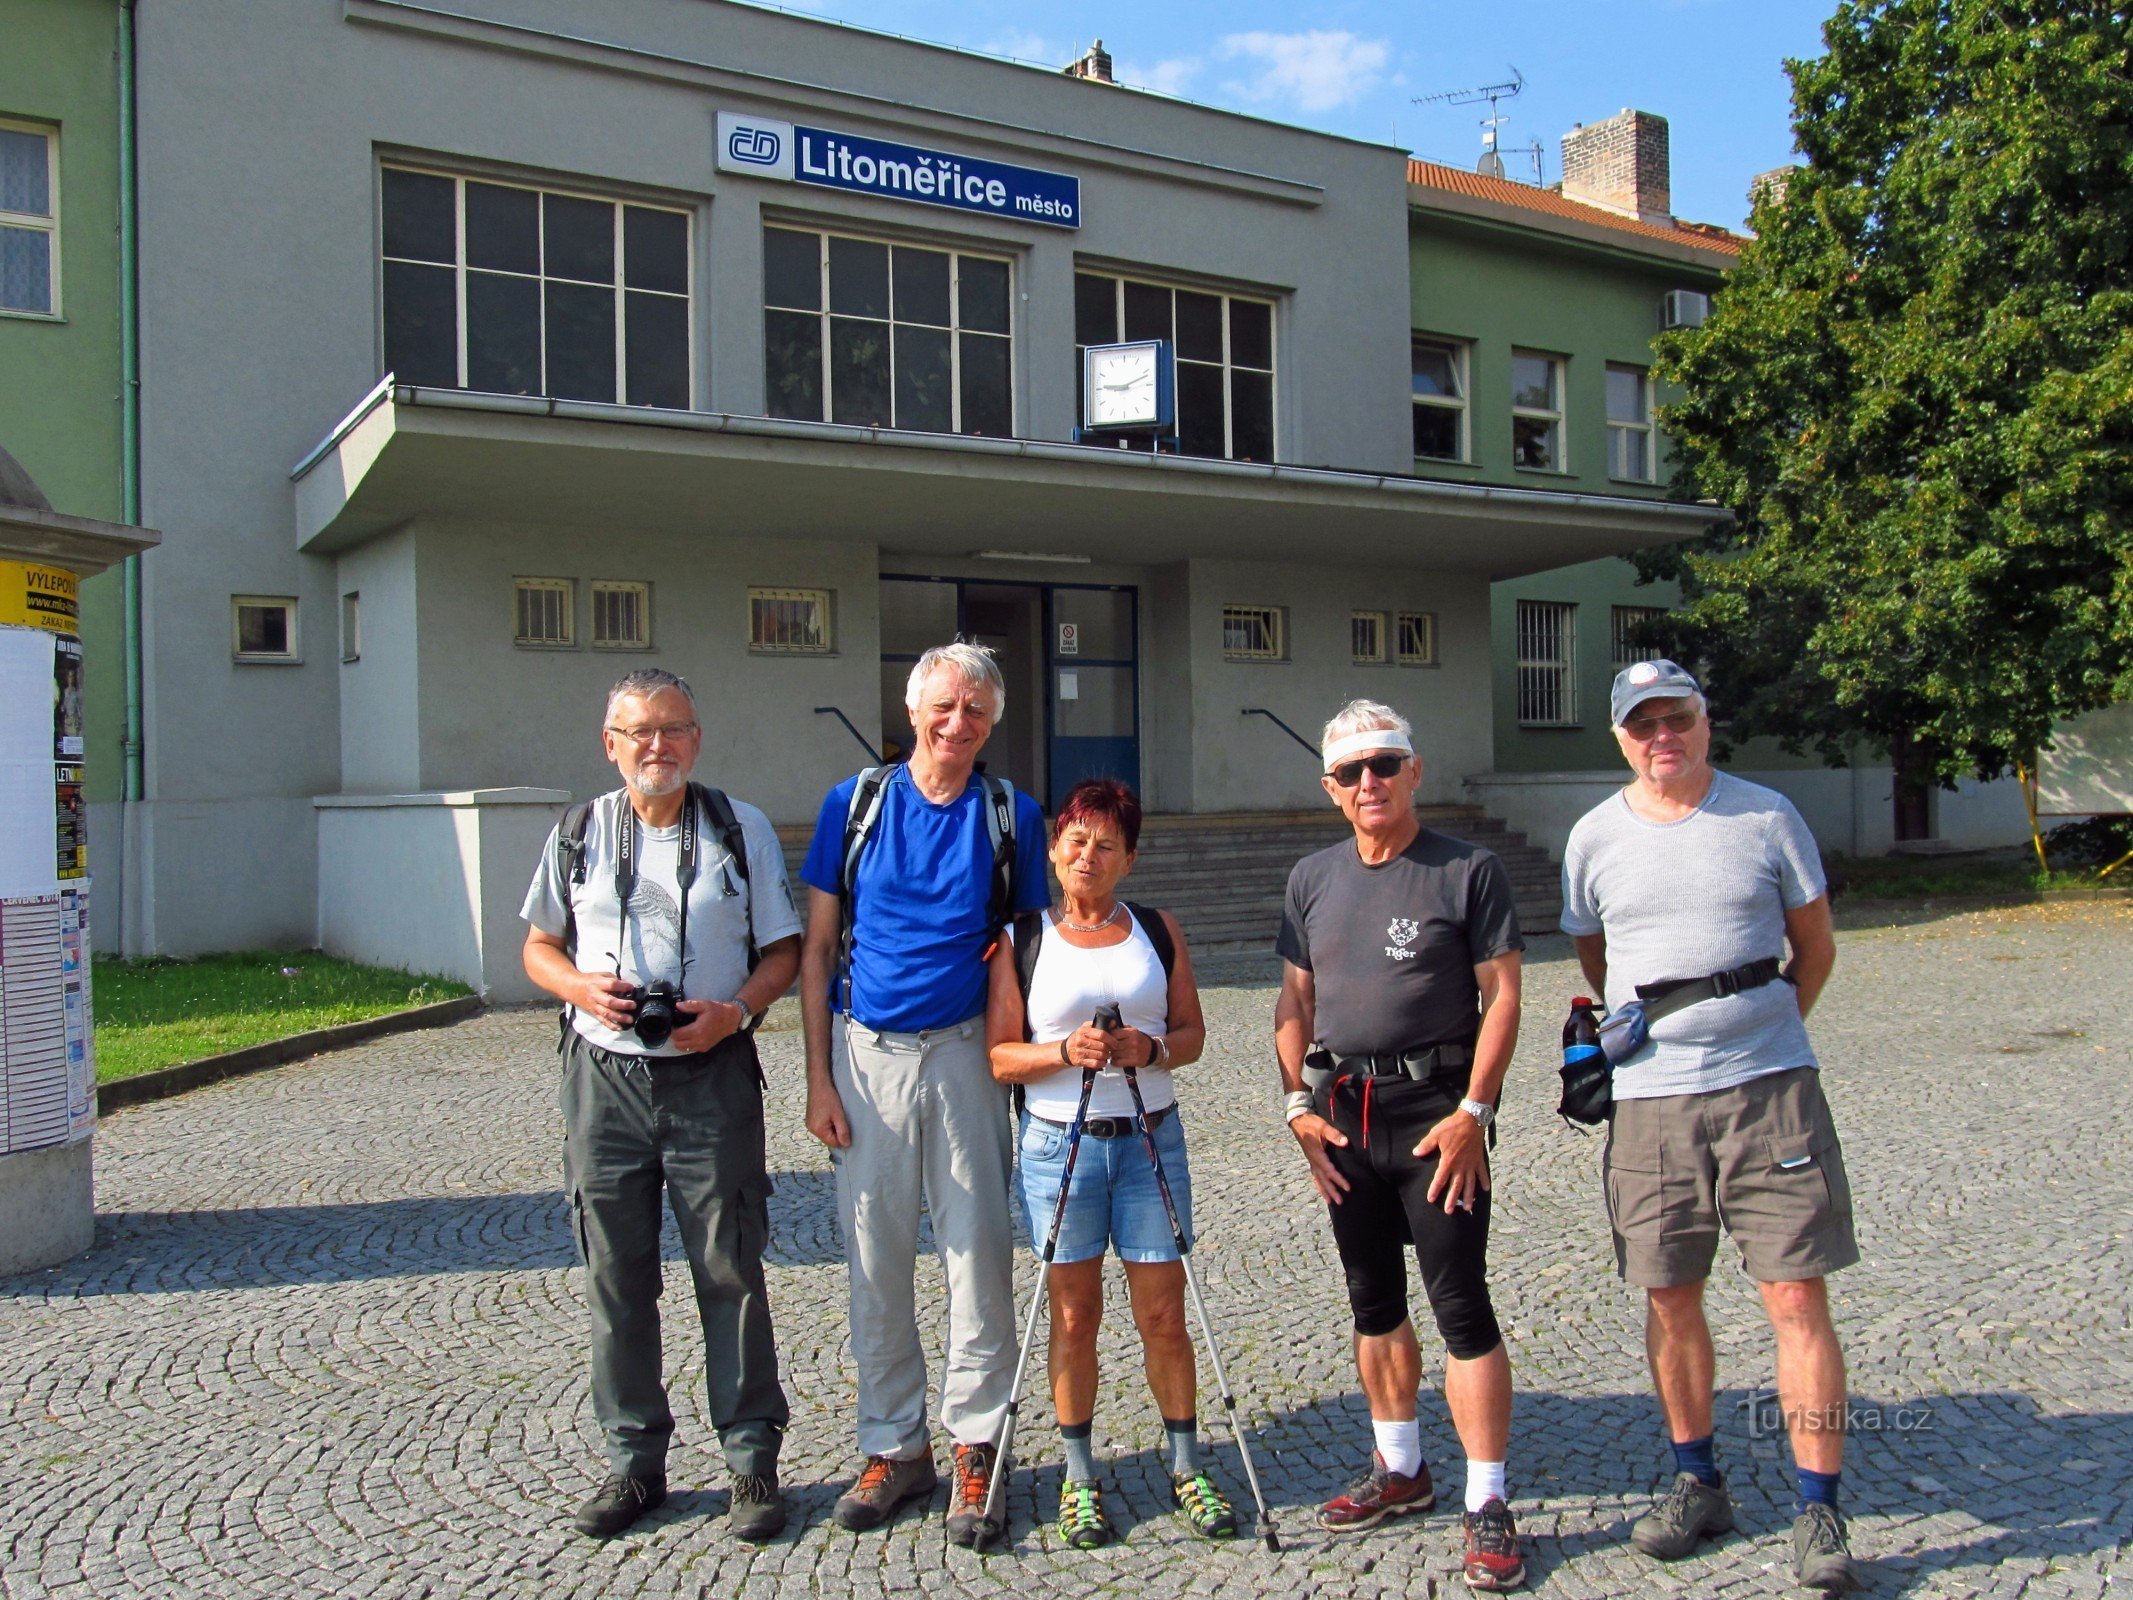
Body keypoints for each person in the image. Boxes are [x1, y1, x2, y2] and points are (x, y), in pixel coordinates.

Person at [1560, 658, 1859, 1593]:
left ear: (1704, 721)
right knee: (1668, 1295)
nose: (1662, 738)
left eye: (1676, 719)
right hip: (1649, 1104)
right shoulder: (1591, 837)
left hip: (1770, 1091)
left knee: (1795, 1298)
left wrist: (1763, 1033)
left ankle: (1819, 1509)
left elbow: (1813, 949)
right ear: (1618, 736)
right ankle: (1698, 1484)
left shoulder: (1767, 815)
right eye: (1643, 723)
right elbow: (1596, 954)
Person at [520, 668, 803, 1542]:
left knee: (731, 1268)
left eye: (672, 729)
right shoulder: (576, 833)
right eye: (638, 732)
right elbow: (536, 947)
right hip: (603, 1079)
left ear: (696, 738)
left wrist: (735, 1012)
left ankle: (752, 1463)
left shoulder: (737, 827)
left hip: (710, 1071)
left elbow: (784, 952)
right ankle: (635, 1463)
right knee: (616, 1276)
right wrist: (579, 987)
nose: (657, 746)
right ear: (610, 745)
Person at [797, 641, 1049, 1547]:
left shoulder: (1008, 813)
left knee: (978, 1254)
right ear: (912, 710)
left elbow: (1031, 946)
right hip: (866, 1060)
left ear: (992, 720)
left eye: (975, 711)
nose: (957, 723)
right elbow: (820, 950)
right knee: (875, 1260)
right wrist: (818, 1076)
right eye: (943, 706)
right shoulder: (854, 806)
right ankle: (894, 1447)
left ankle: (979, 1446)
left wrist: (1028, 1059)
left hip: (966, 1060)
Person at [1274, 699, 1527, 1594]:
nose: (1369, 782)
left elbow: (1502, 996)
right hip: (1344, 1112)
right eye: (1350, 772)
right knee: (1371, 1302)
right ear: (1330, 789)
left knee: (1460, 1303)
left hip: (1436, 1116)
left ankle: (1486, 1501)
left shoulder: (1467, 870)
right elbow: (1293, 1003)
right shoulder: (1310, 877)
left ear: (1414, 771)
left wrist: (1475, 1113)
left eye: (1384, 765)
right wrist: (1295, 1104)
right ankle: (1400, 1469)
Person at [985, 778, 1237, 1549]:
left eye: (1104, 844)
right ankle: (1078, 1472)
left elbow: (1191, 1034)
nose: (1086, 855)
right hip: (1058, 1144)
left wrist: (1149, 1048)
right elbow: (999, 1056)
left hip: (1148, 1139)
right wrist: (1064, 1050)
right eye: (1075, 839)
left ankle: (1188, 1463)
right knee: (1072, 1315)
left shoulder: (1157, 930)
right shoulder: (1023, 936)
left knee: (1163, 1314)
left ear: (1128, 857)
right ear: (1055, 848)